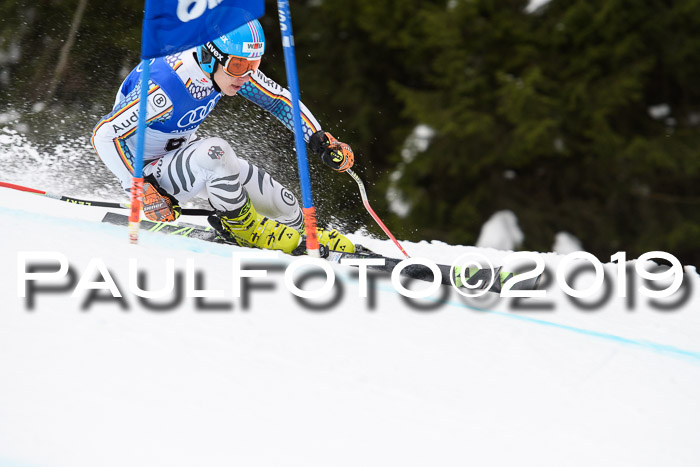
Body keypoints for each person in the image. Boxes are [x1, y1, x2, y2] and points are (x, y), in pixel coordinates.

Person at [91, 19, 355, 255]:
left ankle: (302, 230)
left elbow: (279, 101)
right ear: (209, 57)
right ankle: (242, 228)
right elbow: (104, 135)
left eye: (254, 64)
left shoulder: (225, 69)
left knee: (282, 201)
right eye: (240, 65)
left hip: (183, 159)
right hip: (148, 174)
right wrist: (144, 189)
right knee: (216, 151)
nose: (247, 76)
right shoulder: (164, 87)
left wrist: (320, 141)